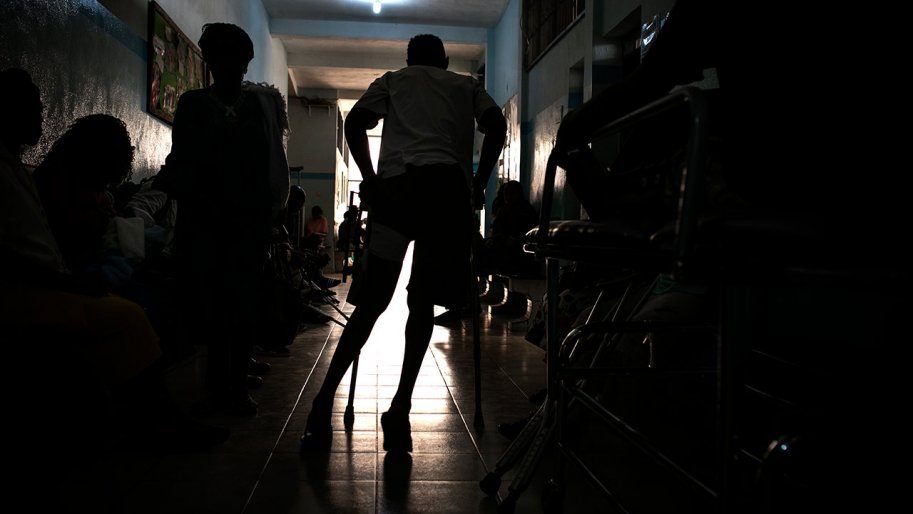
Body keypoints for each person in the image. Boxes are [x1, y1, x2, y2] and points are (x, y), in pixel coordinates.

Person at [0, 67, 228, 456]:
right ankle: (153, 417)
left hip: (58, 278)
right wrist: (74, 280)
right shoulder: (40, 178)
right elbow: (23, 253)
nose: (41, 114)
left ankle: (146, 407)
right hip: (33, 289)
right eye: (33, 107)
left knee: (169, 292)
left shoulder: (19, 168)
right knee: (136, 311)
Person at [300, 33, 507, 452]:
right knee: (422, 303)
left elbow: (357, 122)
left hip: (398, 196)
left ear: (409, 59)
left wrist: (371, 180)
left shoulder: (394, 80)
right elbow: (497, 124)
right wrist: (478, 185)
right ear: (446, 61)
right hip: (445, 200)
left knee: (373, 303)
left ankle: (322, 404)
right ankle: (400, 410)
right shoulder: (465, 85)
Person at [153, 23, 291, 417]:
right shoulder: (194, 105)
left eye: (237, 59)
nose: (230, 67)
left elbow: (272, 165)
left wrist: (270, 210)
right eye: (220, 59)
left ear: (247, 62)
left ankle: (233, 384)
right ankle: (220, 385)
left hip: (248, 220)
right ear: (208, 61)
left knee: (243, 303)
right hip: (205, 219)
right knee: (214, 306)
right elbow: (183, 160)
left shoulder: (260, 105)